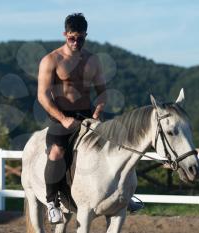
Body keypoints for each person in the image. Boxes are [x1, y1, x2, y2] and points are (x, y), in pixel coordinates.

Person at [37, 13, 141, 224]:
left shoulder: (93, 60)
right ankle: (52, 203)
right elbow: (42, 96)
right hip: (61, 117)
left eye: (81, 38)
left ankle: (124, 194)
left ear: (86, 36)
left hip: (88, 115)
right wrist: (63, 118)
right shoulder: (51, 59)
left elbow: (102, 92)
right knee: (56, 153)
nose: (76, 42)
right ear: (65, 34)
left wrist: (98, 108)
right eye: (72, 38)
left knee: (119, 144)